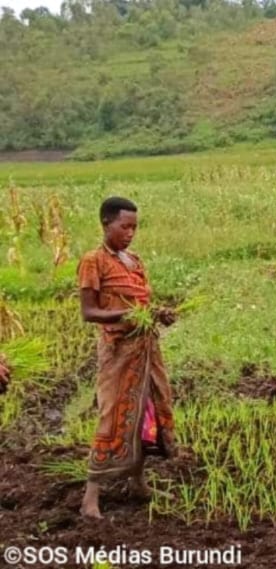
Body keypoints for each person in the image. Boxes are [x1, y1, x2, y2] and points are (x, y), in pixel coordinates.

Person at [77, 197, 179, 519]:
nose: (131, 233)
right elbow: (89, 312)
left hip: (146, 351)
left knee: (145, 416)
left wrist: (158, 314)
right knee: (112, 416)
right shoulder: (93, 261)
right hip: (118, 352)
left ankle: (138, 482)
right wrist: (130, 313)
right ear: (106, 223)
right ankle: (90, 498)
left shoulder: (134, 260)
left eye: (135, 227)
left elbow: (143, 302)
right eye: (125, 227)